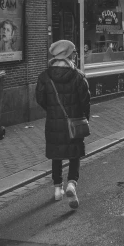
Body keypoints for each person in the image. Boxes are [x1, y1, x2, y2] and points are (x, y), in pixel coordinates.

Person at [35, 40, 91, 209]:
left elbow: (40, 99)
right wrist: (84, 117)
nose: (75, 56)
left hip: (53, 122)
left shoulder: (44, 77)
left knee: (56, 154)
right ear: (69, 55)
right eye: (74, 53)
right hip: (73, 122)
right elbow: (85, 101)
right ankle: (72, 184)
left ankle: (57, 189)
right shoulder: (78, 76)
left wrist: (52, 111)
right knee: (74, 154)